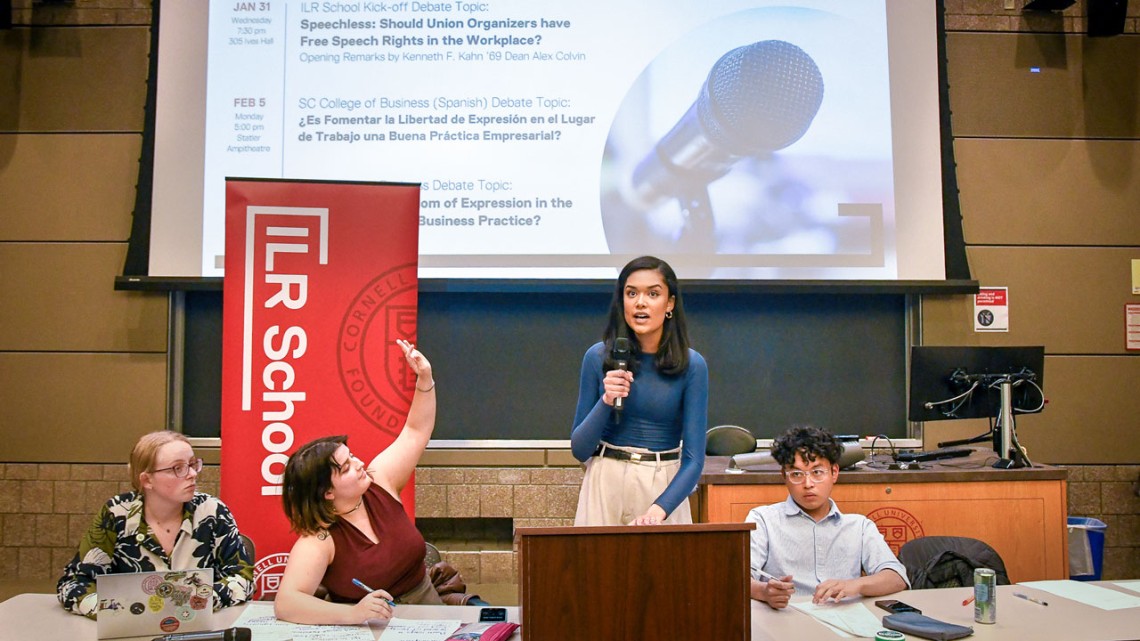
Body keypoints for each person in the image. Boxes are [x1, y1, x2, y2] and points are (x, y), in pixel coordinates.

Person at [274, 339, 444, 625]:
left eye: (352, 456)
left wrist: (424, 379)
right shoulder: (319, 539)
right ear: (327, 492)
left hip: (430, 612)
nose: (360, 464)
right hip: (371, 628)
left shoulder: (381, 481)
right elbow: (287, 603)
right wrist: (352, 613)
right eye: (347, 467)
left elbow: (415, 431)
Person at [570, 255, 709, 526]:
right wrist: (606, 400)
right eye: (631, 293)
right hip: (604, 480)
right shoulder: (597, 357)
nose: (640, 303)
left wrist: (659, 509)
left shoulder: (692, 365)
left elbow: (694, 459)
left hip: (663, 486)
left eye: (653, 294)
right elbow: (579, 449)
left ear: (670, 303)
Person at [56, 431, 254, 618]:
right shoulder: (116, 514)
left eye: (193, 464)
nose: (193, 474)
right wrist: (115, 612)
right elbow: (74, 584)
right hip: (131, 629)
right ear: (147, 480)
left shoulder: (212, 512)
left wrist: (197, 601)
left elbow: (242, 579)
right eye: (178, 468)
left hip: (197, 626)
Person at [747, 425, 909, 609]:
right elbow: (738, 578)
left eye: (817, 472)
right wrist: (764, 592)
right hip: (784, 617)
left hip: (844, 620)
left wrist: (855, 585)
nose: (808, 484)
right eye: (797, 474)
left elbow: (896, 577)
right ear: (784, 476)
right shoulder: (763, 520)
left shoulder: (859, 526)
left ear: (834, 473)